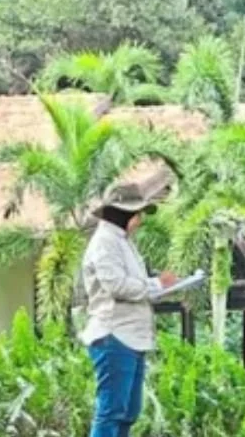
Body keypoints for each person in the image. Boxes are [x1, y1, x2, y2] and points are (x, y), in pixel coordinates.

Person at [79, 180, 178, 437]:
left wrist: (159, 286)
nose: (141, 219)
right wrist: (157, 284)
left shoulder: (123, 242)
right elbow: (117, 285)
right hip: (114, 334)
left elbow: (134, 284)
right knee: (111, 411)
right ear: (124, 213)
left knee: (128, 412)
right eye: (137, 213)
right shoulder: (105, 242)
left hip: (132, 337)